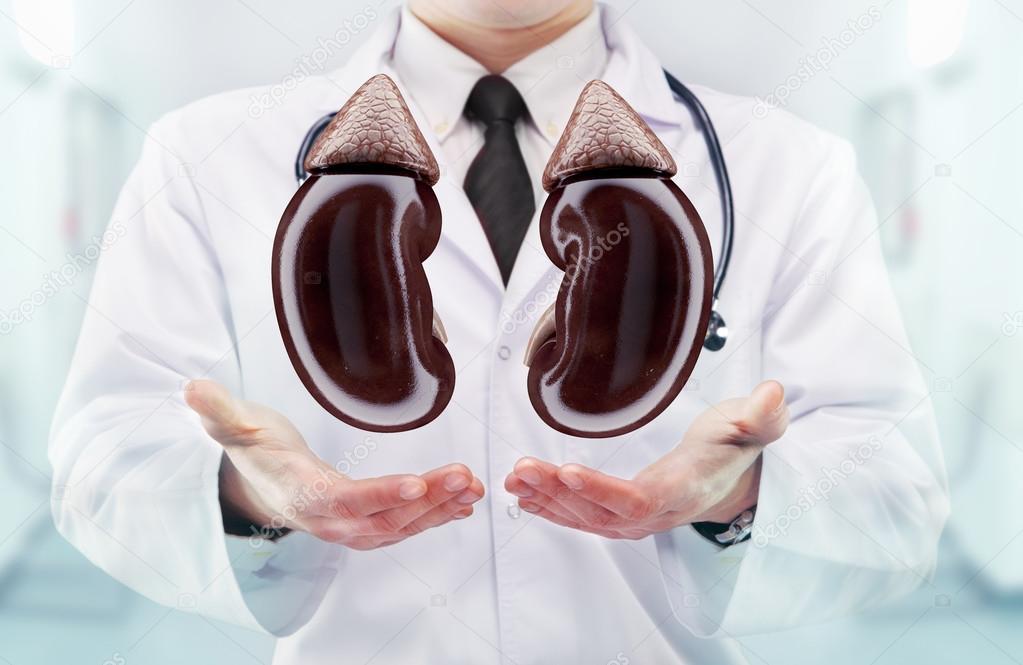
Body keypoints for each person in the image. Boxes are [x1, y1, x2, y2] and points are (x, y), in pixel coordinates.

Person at [48, 1, 949, 663]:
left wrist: (733, 494)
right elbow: (105, 456)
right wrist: (252, 498)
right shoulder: (206, 155)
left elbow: (894, 494)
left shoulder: (786, 167)